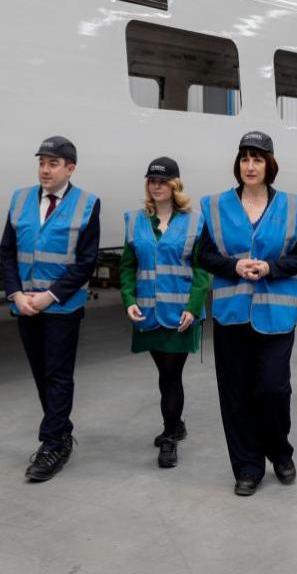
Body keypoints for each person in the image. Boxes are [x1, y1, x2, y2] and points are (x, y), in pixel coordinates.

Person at [197, 130, 297, 497]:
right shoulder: (215, 206)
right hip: (231, 313)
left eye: (257, 159)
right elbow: (205, 255)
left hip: (277, 314)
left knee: (273, 388)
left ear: (269, 164)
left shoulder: (292, 206)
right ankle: (247, 466)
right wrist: (234, 267)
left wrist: (271, 268)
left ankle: (279, 450)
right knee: (237, 394)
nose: (250, 166)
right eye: (245, 158)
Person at [0, 136, 100, 482]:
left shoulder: (87, 204)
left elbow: (85, 262)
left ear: (70, 169)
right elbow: (7, 252)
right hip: (25, 306)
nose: (45, 169)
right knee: (41, 373)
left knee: (57, 374)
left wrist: (51, 296)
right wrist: (15, 294)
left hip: (62, 308)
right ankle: (61, 430)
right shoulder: (19, 200)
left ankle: (53, 444)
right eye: (42, 162)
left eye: (53, 163)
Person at [120, 157, 211, 469]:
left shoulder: (195, 221)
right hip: (146, 314)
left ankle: (170, 436)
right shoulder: (134, 221)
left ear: (175, 185)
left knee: (172, 376)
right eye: (152, 181)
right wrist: (128, 297)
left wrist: (194, 307)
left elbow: (202, 270)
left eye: (163, 181)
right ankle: (176, 423)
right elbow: (128, 266)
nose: (157, 186)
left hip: (181, 316)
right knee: (165, 375)